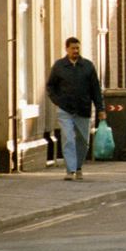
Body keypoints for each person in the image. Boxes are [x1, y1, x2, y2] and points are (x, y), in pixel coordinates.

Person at [45, 37, 105, 181]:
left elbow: (95, 89)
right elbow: (50, 86)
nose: (76, 51)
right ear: (66, 49)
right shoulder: (59, 66)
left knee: (83, 141)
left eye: (77, 48)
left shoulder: (88, 66)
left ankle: (78, 167)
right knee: (68, 139)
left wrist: (100, 109)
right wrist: (58, 101)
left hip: (83, 109)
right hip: (65, 110)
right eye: (73, 48)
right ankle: (70, 170)